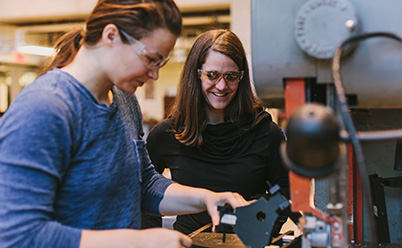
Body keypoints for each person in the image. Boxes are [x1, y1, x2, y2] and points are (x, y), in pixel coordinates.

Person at [0, 1, 249, 248]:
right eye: (151, 59)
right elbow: (17, 235)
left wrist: (206, 198)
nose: (155, 75)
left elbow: (144, 184)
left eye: (160, 63)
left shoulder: (124, 98)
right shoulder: (45, 108)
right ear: (111, 36)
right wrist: (138, 241)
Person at [145, 29, 291, 235]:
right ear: (195, 75)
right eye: (212, 75)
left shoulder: (266, 133)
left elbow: (286, 196)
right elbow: (144, 193)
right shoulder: (167, 134)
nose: (222, 86)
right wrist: (150, 237)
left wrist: (258, 229)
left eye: (231, 76)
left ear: (241, 78)